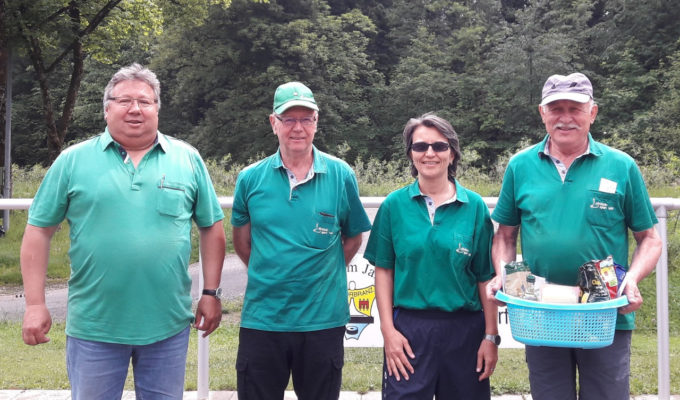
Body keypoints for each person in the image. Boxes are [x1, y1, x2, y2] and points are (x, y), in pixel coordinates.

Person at [20, 63, 226, 399]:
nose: (135, 109)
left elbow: (212, 226)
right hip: (94, 326)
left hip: (167, 325)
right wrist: (34, 304)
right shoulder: (72, 161)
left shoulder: (187, 159)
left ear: (157, 108)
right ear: (107, 109)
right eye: (124, 100)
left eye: (145, 101)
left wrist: (211, 293)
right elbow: (38, 232)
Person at [487, 72, 662, 400]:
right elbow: (505, 237)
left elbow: (650, 238)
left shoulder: (621, 166)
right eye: (556, 108)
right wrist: (503, 275)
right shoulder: (520, 166)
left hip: (605, 313)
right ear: (542, 113)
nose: (565, 118)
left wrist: (632, 280)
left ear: (592, 113)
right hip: (540, 312)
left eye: (575, 108)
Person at [231, 81, 372, 400]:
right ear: (273, 123)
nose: (298, 128)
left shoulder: (341, 174)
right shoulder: (250, 178)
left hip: (322, 321)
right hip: (263, 319)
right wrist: (272, 273)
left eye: (306, 119)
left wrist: (321, 273)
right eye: (289, 119)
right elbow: (242, 242)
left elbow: (353, 237)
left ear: (316, 122)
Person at [364, 113, 498, 399]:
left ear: (452, 153)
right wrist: (388, 331)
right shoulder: (393, 206)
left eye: (439, 146)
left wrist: (490, 337)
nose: (429, 153)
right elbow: (384, 271)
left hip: (465, 331)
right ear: (410, 154)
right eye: (420, 146)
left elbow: (485, 277)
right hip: (409, 331)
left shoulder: (474, 206)